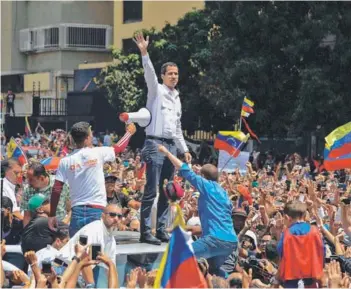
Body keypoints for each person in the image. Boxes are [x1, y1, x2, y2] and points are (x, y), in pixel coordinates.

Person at [133, 32, 192, 245]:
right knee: (151, 190)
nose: (174, 77)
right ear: (163, 76)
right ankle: (145, 232)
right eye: (170, 74)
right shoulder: (156, 90)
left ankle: (161, 229)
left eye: (176, 74)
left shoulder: (177, 98)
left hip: (170, 147)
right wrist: (144, 52)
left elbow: (177, 127)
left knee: (167, 190)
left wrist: (184, 149)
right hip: (154, 143)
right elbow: (148, 72)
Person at [158, 144, 237, 277]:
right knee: (213, 272)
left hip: (215, 240)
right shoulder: (225, 194)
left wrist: (167, 152)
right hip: (231, 242)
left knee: (177, 254)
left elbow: (184, 169)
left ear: (203, 177)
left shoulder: (206, 185)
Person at [48, 122, 136, 236]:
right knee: (97, 250)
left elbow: (56, 189)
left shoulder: (65, 161)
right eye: (91, 134)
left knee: (78, 251)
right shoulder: (97, 153)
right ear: (87, 138)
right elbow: (118, 148)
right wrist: (129, 133)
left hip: (77, 212)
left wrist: (52, 215)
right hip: (97, 211)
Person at [277, 201, 324, 288]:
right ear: (305, 216)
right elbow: (321, 254)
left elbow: (280, 254)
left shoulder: (287, 233)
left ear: (287, 217)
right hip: (312, 282)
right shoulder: (314, 231)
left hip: (291, 283)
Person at [21, 161, 70, 227]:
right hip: (39, 229)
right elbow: (27, 216)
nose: (28, 182)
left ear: (41, 178)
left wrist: (64, 223)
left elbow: (71, 208)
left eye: (31, 180)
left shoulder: (60, 185)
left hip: (60, 226)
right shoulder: (28, 190)